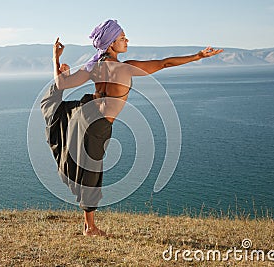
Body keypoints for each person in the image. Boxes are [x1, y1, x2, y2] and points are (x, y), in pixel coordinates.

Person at [41, 19, 223, 237]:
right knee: (92, 171)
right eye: (122, 38)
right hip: (97, 124)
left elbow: (61, 85)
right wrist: (198, 56)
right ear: (110, 44)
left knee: (88, 168)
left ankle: (88, 224)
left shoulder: (94, 66)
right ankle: (90, 227)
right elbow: (165, 63)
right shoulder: (126, 68)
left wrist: (56, 60)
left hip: (84, 112)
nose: (126, 40)